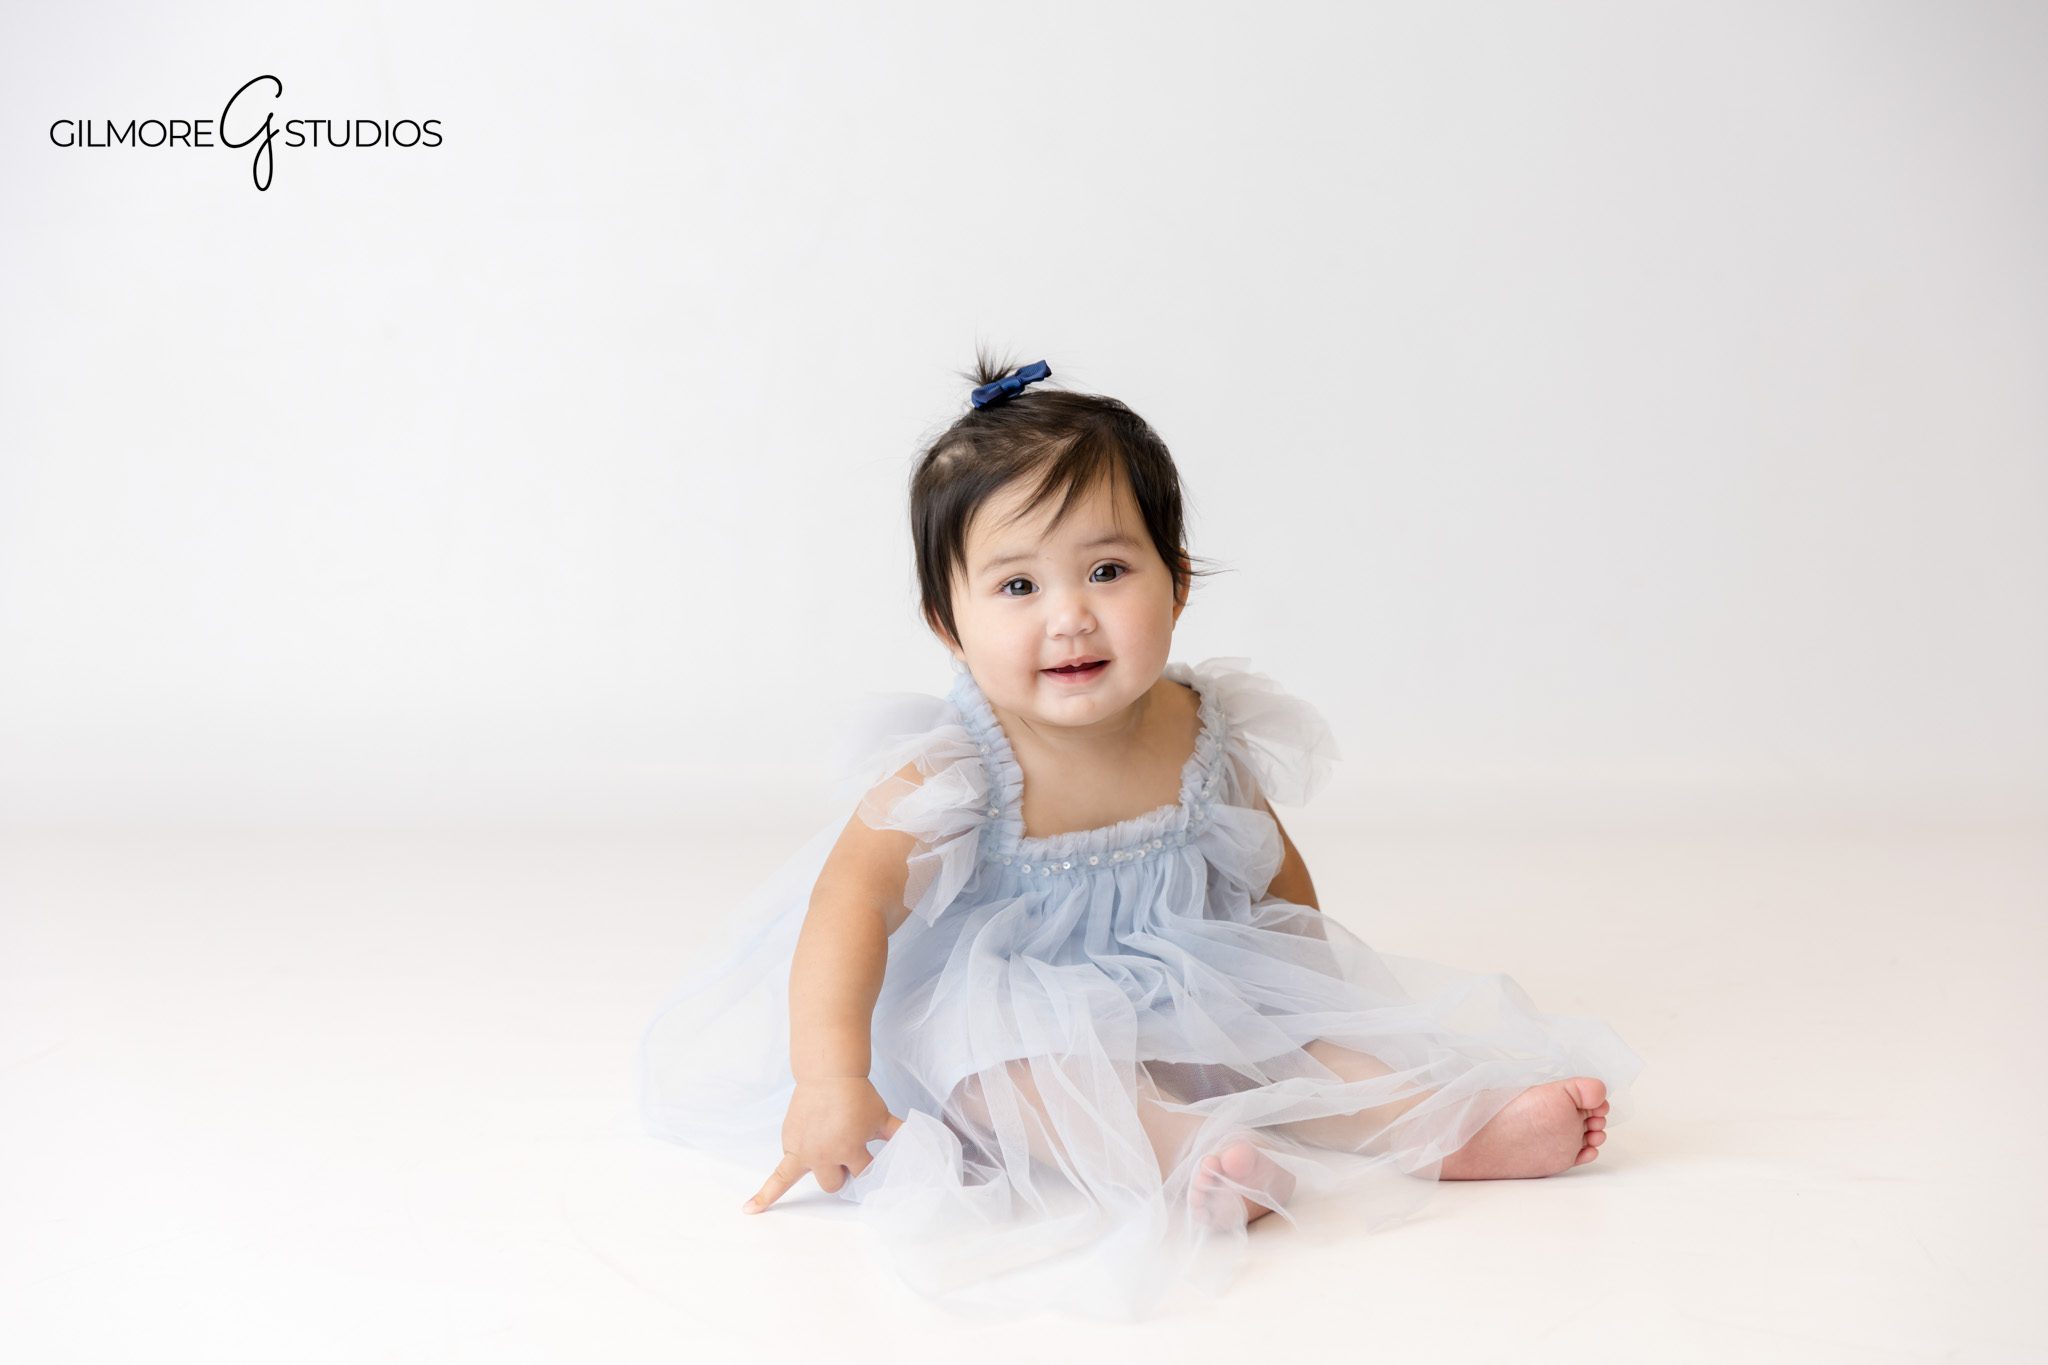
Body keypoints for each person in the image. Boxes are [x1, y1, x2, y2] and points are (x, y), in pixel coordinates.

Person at [638, 352, 1645, 1320]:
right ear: (947, 623)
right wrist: (831, 1079)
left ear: (1178, 582)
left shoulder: (1196, 728)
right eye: (1017, 587)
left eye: (1107, 570)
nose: (1069, 618)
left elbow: (1270, 869)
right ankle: (1184, 1151)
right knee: (1001, 1070)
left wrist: (1301, 986)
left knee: (1298, 1040)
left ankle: (1444, 1125)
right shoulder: (956, 771)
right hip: (1013, 992)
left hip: (1180, 975)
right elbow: (846, 907)